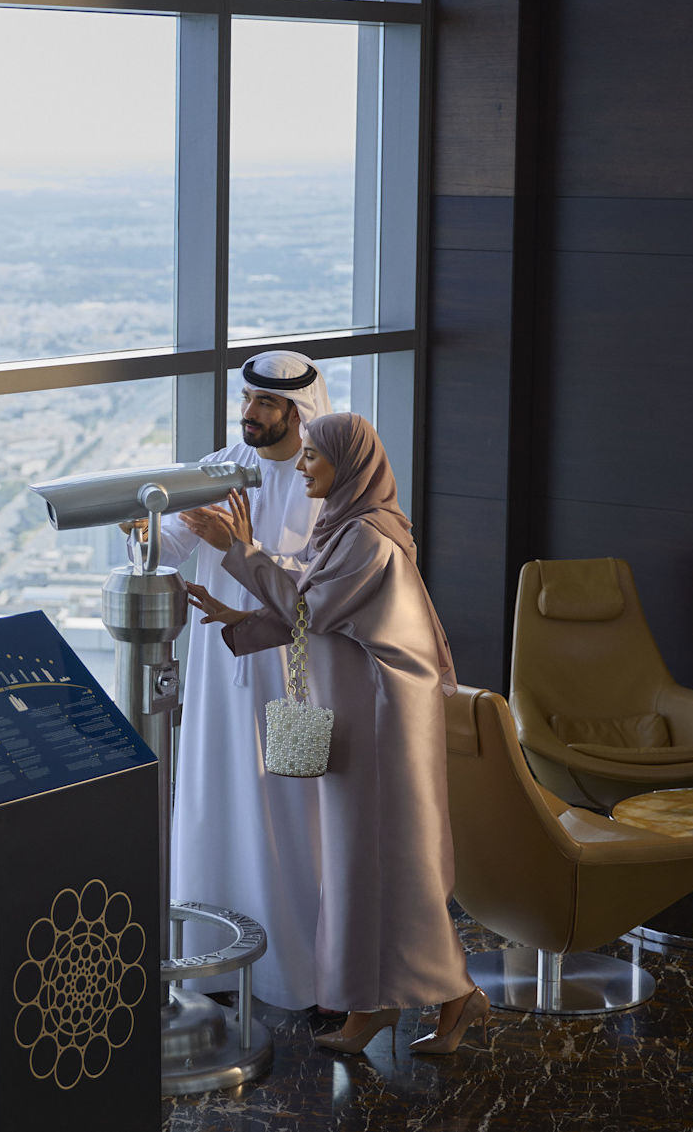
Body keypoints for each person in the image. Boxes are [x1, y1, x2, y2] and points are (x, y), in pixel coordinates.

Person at [181, 412, 489, 1055]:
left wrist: (237, 550)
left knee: (398, 864)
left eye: (314, 458)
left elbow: (310, 609)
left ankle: (458, 995)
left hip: (387, 722)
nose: (301, 466)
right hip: (361, 712)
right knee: (353, 863)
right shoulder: (345, 528)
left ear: (349, 466)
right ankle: (368, 1004)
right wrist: (242, 615)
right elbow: (317, 608)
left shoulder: (369, 539)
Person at [128, 350, 329, 1010]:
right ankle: (213, 969)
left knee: (295, 819)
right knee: (217, 801)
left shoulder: (326, 477)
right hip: (223, 673)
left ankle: (303, 972)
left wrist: (240, 546)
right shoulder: (218, 470)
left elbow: (322, 580)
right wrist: (146, 530)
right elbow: (170, 548)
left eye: (266, 404)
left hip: (293, 672)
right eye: (246, 399)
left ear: (298, 412)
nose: (251, 413)